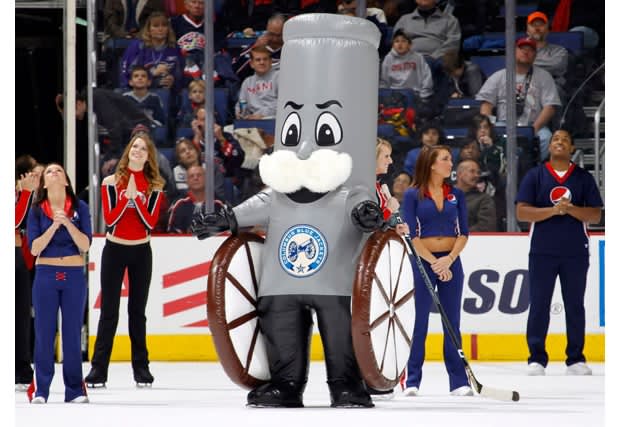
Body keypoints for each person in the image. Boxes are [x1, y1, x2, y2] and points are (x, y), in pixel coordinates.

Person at [515, 129, 603, 376]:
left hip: (575, 252)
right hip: (542, 251)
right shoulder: (536, 176)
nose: (560, 142)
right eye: (555, 139)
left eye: (565, 138)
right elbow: (522, 212)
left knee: (575, 304)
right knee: (539, 304)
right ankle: (536, 358)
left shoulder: (583, 178)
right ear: (549, 146)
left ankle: (575, 358)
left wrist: (570, 209)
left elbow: (595, 214)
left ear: (572, 147)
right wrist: (553, 211)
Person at [85, 129, 165, 387]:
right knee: (109, 312)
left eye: (142, 148)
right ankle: (98, 371)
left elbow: (150, 222)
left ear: (148, 156)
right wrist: (127, 199)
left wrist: (136, 201)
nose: (137, 151)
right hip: (114, 249)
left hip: (141, 251)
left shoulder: (154, 186)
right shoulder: (111, 182)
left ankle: (142, 370)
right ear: (128, 152)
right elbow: (110, 220)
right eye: (134, 147)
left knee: (136, 312)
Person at [400, 144, 472, 397]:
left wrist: (449, 259)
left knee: (452, 321)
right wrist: (434, 262)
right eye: (445, 159)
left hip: (451, 262)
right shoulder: (412, 195)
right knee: (419, 322)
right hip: (422, 262)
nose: (450, 163)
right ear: (431, 164)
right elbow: (411, 235)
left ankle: (458, 381)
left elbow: (463, 233)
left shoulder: (457, 195)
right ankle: (412, 380)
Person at [26, 163, 92, 403]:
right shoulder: (36, 210)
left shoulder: (80, 208)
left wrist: (67, 223)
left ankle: (74, 389)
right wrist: (54, 225)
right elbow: (34, 248)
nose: (54, 173)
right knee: (44, 332)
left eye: (59, 171)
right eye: (49, 172)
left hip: (74, 275)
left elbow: (85, 245)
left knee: (72, 333)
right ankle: (40, 388)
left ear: (66, 181)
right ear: (44, 182)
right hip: (46, 275)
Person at [475, 37, 562, 162]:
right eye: (522, 49)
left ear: (535, 55)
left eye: (530, 50)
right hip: (504, 123)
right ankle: (501, 166)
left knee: (546, 137)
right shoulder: (499, 76)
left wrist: (532, 130)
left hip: (533, 124)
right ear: (513, 52)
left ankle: (530, 168)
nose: (526, 52)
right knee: (490, 136)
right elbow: (486, 104)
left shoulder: (544, 76)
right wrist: (489, 126)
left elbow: (550, 107)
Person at [15, 155, 39, 391]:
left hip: (20, 258)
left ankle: (22, 366)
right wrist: (25, 194)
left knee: (22, 314)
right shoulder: (20, 193)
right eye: (33, 173)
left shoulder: (29, 195)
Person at [119, 11, 183, 91]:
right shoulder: (137, 46)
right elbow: (126, 73)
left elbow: (181, 76)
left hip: (166, 92)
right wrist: (152, 74)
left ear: (168, 29)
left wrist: (173, 80)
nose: (160, 29)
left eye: (164, 25)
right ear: (149, 30)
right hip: (137, 90)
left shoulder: (175, 49)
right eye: (156, 26)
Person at [392, 0, 461, 61]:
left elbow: (452, 44)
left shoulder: (450, 20)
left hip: (438, 62)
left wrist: (432, 59)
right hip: (408, 61)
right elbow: (396, 43)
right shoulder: (404, 20)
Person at [379, 29, 434, 102]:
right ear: (392, 44)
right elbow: (384, 82)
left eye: (403, 41)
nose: (400, 44)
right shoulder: (388, 59)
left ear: (410, 44)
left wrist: (423, 96)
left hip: (416, 96)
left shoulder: (418, 57)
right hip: (395, 97)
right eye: (397, 41)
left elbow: (427, 78)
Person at [168, 164, 223, 233]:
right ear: (187, 182)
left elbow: (228, 231)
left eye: (199, 175)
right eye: (191, 176)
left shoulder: (219, 204)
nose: (195, 178)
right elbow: (172, 235)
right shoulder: (179, 204)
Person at [232, 13, 285, 82]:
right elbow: (236, 71)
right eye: (271, 34)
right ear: (266, 30)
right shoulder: (256, 45)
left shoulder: (290, 48)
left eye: (278, 35)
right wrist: (254, 48)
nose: (274, 39)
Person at [525, 11, 570, 92]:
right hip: (523, 85)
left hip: (551, 85)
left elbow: (556, 67)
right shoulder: (518, 50)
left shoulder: (560, 51)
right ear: (527, 31)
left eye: (541, 25)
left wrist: (526, 64)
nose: (537, 28)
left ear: (548, 30)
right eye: (533, 25)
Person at [235, 46, 279, 120]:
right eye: (258, 60)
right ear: (251, 64)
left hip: (274, 120)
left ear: (271, 61)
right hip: (252, 121)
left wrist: (261, 114)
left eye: (265, 59)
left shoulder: (279, 76)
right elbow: (241, 103)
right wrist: (239, 112)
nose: (262, 62)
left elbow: (282, 104)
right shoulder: (247, 82)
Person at [454, 159, 497, 232]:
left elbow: (486, 227)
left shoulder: (484, 200)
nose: (476, 175)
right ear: (460, 174)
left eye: (478, 172)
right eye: (472, 171)